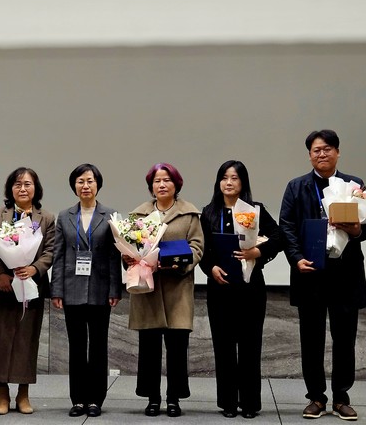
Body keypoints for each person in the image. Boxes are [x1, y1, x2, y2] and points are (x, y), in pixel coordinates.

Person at [279, 130, 366, 421]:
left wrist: (357, 230)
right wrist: (296, 259)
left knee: (345, 338)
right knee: (311, 339)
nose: (322, 154)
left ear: (337, 152)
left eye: (327, 149)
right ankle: (316, 398)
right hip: (310, 273)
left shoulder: (354, 185)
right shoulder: (296, 187)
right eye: (316, 150)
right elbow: (287, 227)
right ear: (309, 155)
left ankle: (342, 397)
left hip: (345, 274)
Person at [199, 160, 282, 419]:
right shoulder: (209, 212)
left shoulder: (255, 210)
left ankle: (249, 403)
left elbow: (279, 238)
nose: (229, 182)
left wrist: (258, 251)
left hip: (250, 289)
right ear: (218, 182)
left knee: (249, 346)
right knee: (223, 347)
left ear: (242, 183)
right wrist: (210, 268)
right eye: (224, 177)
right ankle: (227, 403)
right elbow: (202, 251)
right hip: (220, 289)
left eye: (234, 178)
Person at [125, 162, 204, 418]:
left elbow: (198, 247)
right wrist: (129, 257)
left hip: (177, 288)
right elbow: (128, 246)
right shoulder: (138, 215)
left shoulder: (190, 214)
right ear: (151, 186)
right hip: (148, 287)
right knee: (149, 348)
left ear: (176, 184)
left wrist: (180, 262)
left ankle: (173, 398)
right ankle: (152, 397)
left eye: (167, 180)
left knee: (177, 347)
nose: (162, 185)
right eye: (157, 181)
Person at [0, 167, 56, 415]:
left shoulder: (46, 218)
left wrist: (34, 268)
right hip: (1, 287)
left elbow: (51, 250)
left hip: (31, 287)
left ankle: (23, 394)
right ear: (10, 189)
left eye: (28, 184)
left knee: (26, 340)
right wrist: (0, 273)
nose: (23, 188)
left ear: (36, 188)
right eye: (18, 184)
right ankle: (2, 394)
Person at [51, 163, 122, 418]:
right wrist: (56, 290)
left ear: (98, 185)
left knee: (99, 345)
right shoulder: (64, 216)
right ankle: (78, 399)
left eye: (90, 181)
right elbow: (58, 255)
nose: (85, 186)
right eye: (80, 181)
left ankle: (95, 399)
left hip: (101, 290)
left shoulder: (111, 215)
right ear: (74, 186)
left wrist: (115, 289)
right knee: (77, 346)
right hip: (71, 289)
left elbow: (115, 256)